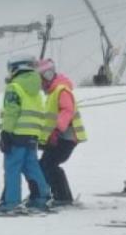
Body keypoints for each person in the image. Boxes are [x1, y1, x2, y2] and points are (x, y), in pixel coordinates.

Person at [0, 56, 51, 213]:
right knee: (31, 167)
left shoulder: (14, 87)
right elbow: (41, 113)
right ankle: (41, 197)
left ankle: (11, 203)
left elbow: (11, 112)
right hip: (31, 134)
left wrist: (6, 132)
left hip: (16, 133)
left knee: (12, 168)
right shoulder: (37, 90)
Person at [36, 58, 87, 206]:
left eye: (41, 80)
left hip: (66, 137)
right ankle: (53, 193)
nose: (40, 85)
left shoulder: (61, 90)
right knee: (44, 164)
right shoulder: (53, 92)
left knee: (50, 165)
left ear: (47, 76)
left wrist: (57, 130)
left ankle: (63, 196)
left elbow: (67, 110)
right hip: (58, 137)